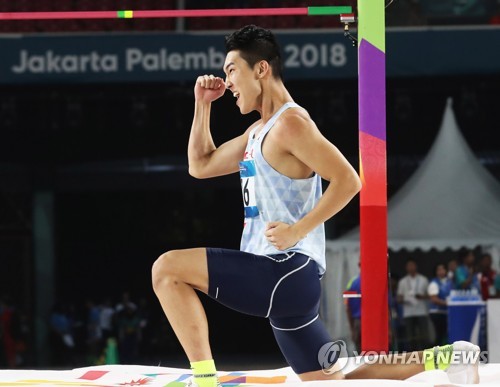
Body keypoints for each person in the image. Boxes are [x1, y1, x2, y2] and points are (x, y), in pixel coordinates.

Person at [151, 25, 480, 384]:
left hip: (283, 269)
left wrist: (297, 230)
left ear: (261, 69)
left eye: (232, 70)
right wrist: (202, 105)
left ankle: (203, 378)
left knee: (167, 269)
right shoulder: (256, 131)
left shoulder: (290, 123)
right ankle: (450, 357)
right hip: (290, 281)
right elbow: (200, 165)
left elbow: (349, 180)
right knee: (333, 380)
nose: (227, 82)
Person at [396, 259, 430, 351]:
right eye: (409, 266)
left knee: (424, 335)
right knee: (410, 336)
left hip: (421, 310)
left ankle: (425, 355)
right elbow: (399, 297)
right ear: (406, 268)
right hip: (408, 312)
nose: (411, 268)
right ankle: (412, 356)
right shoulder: (402, 281)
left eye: (412, 265)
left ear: (416, 266)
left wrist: (422, 296)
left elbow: (430, 295)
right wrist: (405, 299)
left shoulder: (423, 279)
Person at [428, 263, 453, 346]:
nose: (441, 271)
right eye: (439, 270)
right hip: (437, 312)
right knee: (439, 335)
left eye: (443, 269)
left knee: (445, 334)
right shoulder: (434, 283)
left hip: (446, 312)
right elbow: (433, 298)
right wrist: (446, 303)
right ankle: (435, 355)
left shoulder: (449, 282)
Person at [345, 269, 361, 352]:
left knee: (361, 356)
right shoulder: (376, 281)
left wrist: (352, 329)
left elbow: (347, 307)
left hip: (357, 323)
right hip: (373, 323)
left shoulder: (352, 283)